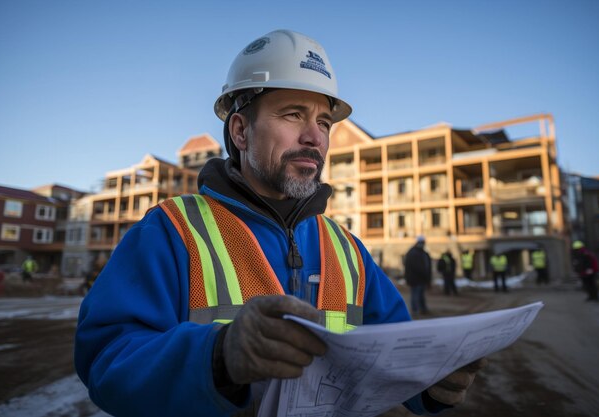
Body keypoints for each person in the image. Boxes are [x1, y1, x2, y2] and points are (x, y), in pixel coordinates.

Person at [74, 30, 485, 417]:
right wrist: (217, 357)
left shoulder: (347, 250)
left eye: (324, 122)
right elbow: (106, 361)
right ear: (240, 131)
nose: (315, 137)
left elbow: (392, 356)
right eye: (293, 114)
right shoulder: (171, 232)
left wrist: (428, 382)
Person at [403, 235, 432, 314]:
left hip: (421, 279)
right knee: (415, 294)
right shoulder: (413, 253)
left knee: (421, 295)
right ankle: (415, 309)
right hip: (415, 279)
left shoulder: (423, 253)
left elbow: (427, 266)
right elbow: (415, 267)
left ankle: (422, 308)